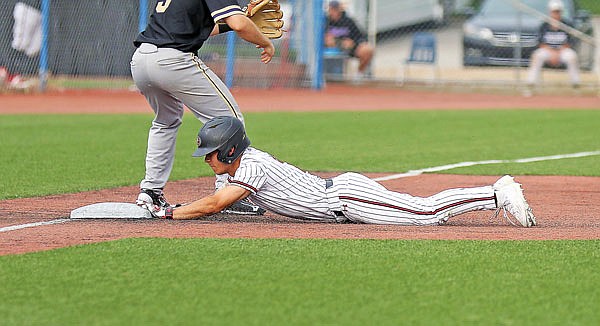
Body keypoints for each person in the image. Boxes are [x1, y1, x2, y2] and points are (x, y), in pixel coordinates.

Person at [142, 116, 537, 228]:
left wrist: (172, 212)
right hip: (340, 198)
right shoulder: (237, 169)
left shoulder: (253, 164)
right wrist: (177, 206)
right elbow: (219, 200)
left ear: (230, 149)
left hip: (343, 198)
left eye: (212, 153)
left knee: (425, 214)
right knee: (422, 212)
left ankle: (496, 192)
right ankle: (494, 192)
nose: (209, 160)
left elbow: (214, 205)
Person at [131, 0, 276, 215]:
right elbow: (239, 25)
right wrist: (266, 43)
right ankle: (228, 193)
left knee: (166, 121)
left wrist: (242, 18)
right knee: (231, 121)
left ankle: (150, 191)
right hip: (173, 60)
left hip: (141, 60)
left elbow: (200, 30)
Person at [526, 0, 580, 89]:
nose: (556, 14)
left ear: (561, 12)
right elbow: (540, 43)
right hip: (547, 51)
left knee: (571, 56)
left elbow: (570, 42)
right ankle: (531, 82)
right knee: (537, 55)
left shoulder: (566, 25)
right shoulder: (544, 25)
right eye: (554, 12)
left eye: (558, 11)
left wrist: (558, 52)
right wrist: (552, 52)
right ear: (550, 12)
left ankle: (575, 83)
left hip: (562, 51)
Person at [325, 1, 374, 76]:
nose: (333, 12)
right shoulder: (325, 21)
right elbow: (326, 39)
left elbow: (361, 36)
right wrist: (340, 42)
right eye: (331, 9)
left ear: (339, 9)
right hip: (332, 49)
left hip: (349, 49)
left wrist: (355, 42)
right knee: (329, 41)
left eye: (335, 9)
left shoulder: (348, 21)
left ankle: (359, 75)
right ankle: (328, 76)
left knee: (368, 50)